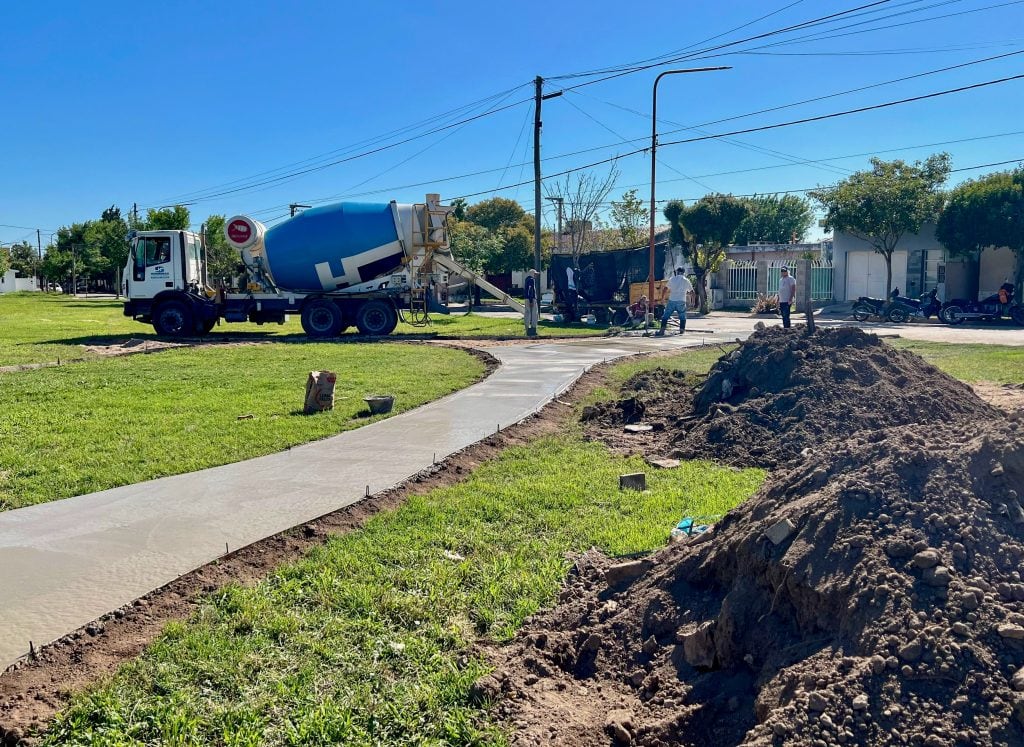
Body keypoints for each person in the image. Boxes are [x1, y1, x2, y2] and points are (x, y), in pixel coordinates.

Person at [656, 267, 692, 336]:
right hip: (681, 300)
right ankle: (681, 330)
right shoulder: (686, 280)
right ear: (683, 273)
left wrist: (662, 299)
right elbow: (692, 292)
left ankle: (662, 330)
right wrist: (692, 302)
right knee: (682, 316)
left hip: (672, 300)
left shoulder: (672, 279)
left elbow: (665, 289)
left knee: (666, 315)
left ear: (677, 272)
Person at [524, 268, 540, 337]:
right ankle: (533, 329)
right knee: (534, 314)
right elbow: (531, 290)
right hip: (531, 299)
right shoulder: (531, 280)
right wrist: (531, 300)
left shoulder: (526, 279)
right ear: (532, 274)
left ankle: (527, 329)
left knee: (527, 313)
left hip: (526, 298)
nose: (536, 275)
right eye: (535, 274)